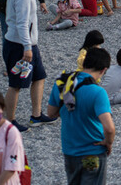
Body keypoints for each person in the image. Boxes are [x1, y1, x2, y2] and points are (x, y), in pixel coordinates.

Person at [3, 0, 56, 133]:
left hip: (27, 43)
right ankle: (9, 121)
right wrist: (27, 46)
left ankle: (36, 115)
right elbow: (22, 23)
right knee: (16, 84)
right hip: (20, 45)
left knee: (39, 76)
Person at [47, 47, 115, 185]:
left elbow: (51, 113)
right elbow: (109, 128)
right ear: (103, 70)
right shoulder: (98, 92)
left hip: (70, 151)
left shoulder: (62, 82)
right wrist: (108, 142)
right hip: (92, 151)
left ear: (84, 63)